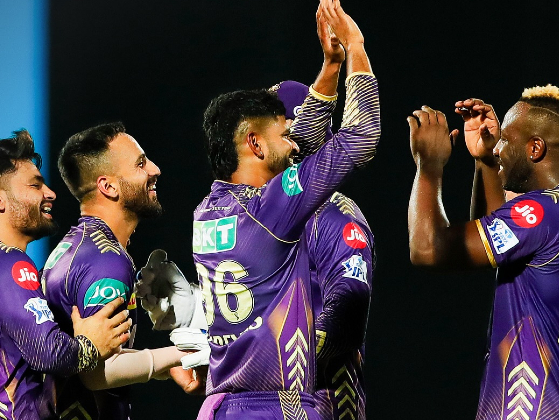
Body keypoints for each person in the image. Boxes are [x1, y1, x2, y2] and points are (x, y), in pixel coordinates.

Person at [192, 0, 379, 417]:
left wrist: (331, 67)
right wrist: (355, 47)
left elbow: (347, 301)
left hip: (224, 404)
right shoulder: (275, 206)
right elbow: (357, 137)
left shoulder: (207, 209)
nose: (293, 142)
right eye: (285, 133)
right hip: (285, 402)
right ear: (255, 143)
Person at [408, 87, 559, 420]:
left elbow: (426, 248)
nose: (498, 149)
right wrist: (485, 162)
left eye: (505, 141)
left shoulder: (545, 212)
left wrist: (429, 164)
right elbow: (501, 242)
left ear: (535, 148)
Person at [0, 130, 131, 420]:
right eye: (35, 184)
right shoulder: (4, 262)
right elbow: (49, 353)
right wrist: (91, 345)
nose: (50, 193)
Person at [41, 122, 194, 419]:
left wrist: (164, 365)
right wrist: (182, 354)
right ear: (108, 187)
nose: (155, 169)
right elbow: (97, 372)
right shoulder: (106, 260)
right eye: (140, 164)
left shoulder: (75, 247)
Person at [272, 80, 374, 420]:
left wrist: (255, 357)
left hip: (324, 406)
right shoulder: (264, 212)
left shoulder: (331, 211)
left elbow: (348, 310)